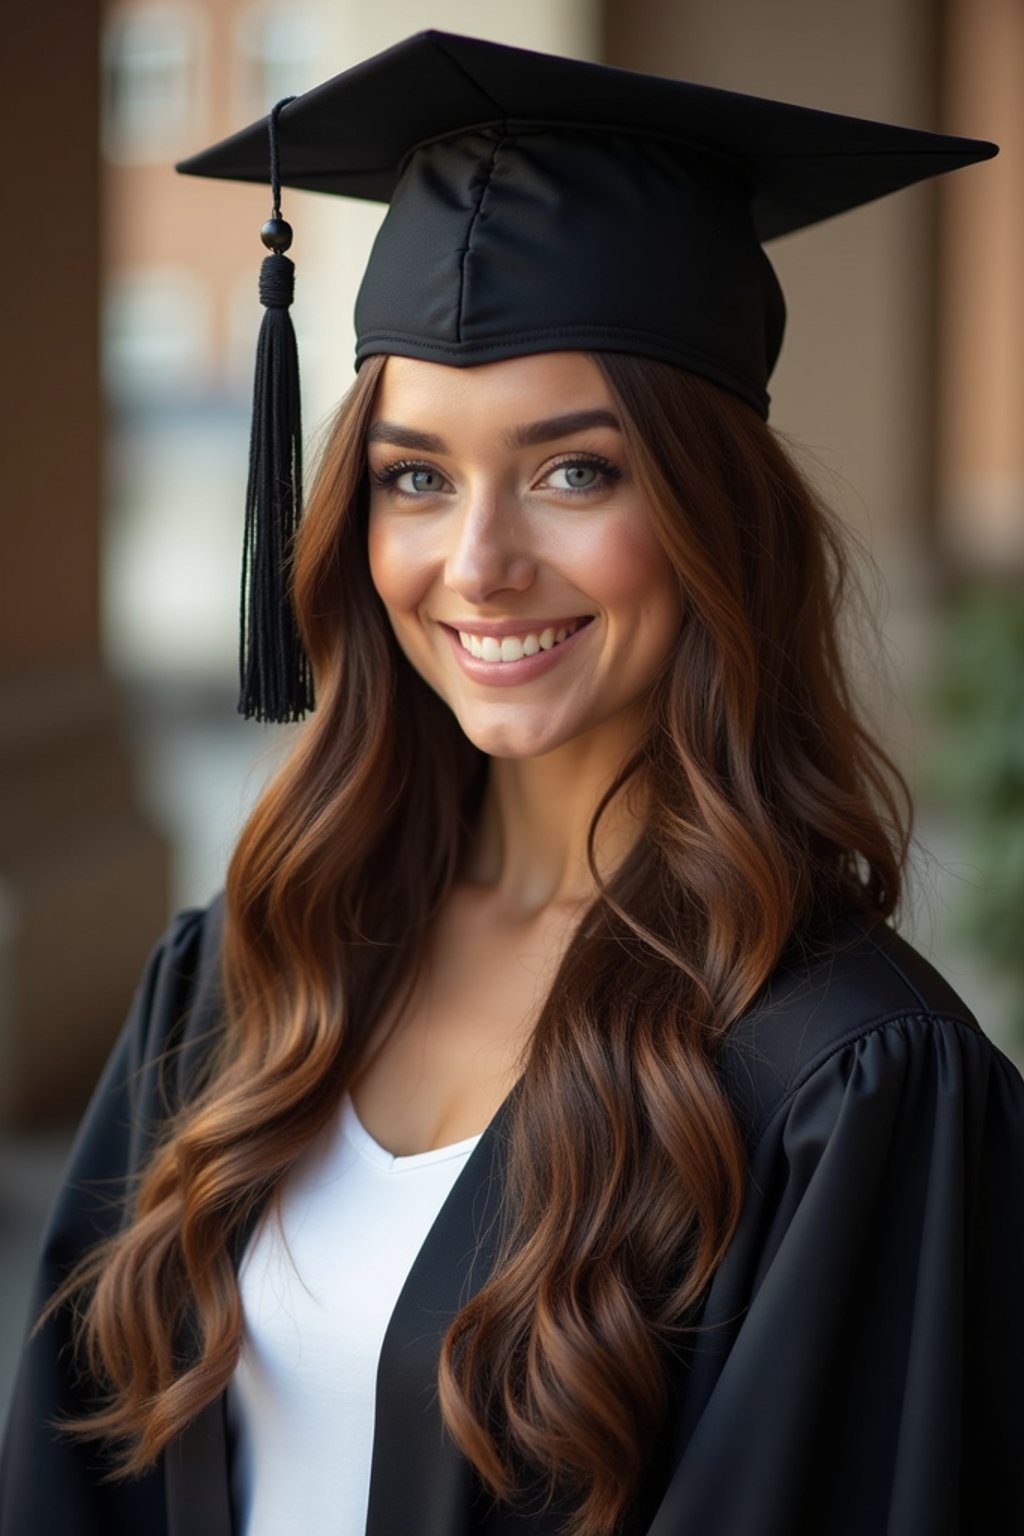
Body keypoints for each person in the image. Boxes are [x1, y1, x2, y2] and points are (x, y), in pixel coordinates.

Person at [2, 30, 1022, 1536]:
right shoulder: (248, 970)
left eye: (574, 472)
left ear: (713, 518)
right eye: (417, 476)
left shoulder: (847, 1084)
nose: (475, 565)